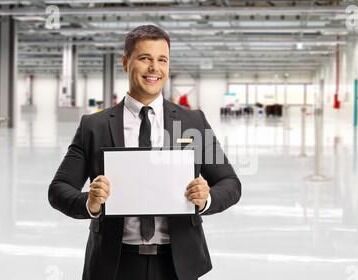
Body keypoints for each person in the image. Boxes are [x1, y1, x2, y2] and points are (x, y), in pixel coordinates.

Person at [48, 25, 241, 280]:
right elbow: (59, 189)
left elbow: (230, 183)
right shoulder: (94, 126)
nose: (154, 68)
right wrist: (90, 203)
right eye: (145, 58)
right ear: (125, 62)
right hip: (113, 264)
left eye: (162, 60)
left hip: (178, 264)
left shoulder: (192, 121)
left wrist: (205, 199)